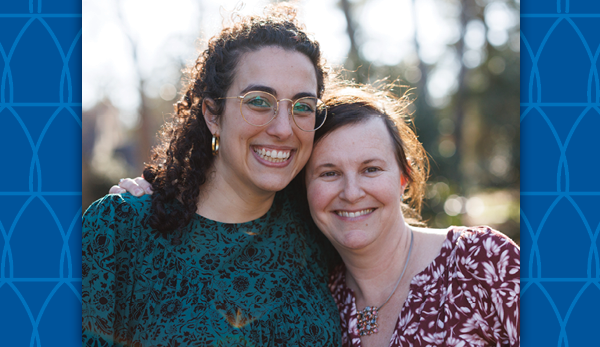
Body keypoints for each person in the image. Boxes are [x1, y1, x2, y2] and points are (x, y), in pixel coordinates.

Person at [116, 85, 520, 347]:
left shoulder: (482, 262)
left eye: (370, 169)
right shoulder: (312, 300)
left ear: (403, 177)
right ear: (305, 190)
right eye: (328, 173)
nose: (350, 192)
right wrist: (158, 199)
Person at [82, 2, 343, 346]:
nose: (284, 129)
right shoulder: (120, 230)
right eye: (259, 101)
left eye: (302, 107)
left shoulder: (322, 230)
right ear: (212, 114)